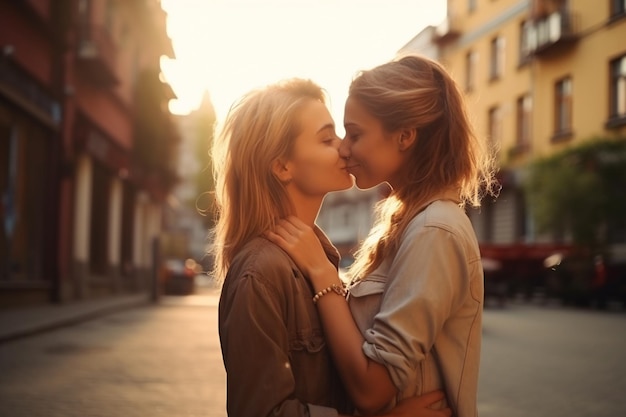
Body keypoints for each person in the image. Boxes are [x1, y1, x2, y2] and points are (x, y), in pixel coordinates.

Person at [267, 54, 498, 417]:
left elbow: (371, 389)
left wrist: (324, 276)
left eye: (355, 134)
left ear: (405, 136)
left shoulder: (434, 230)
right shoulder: (411, 221)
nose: (343, 148)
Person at [211, 78, 452, 417]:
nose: (344, 148)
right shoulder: (260, 272)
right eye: (327, 138)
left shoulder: (315, 257)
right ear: (282, 166)